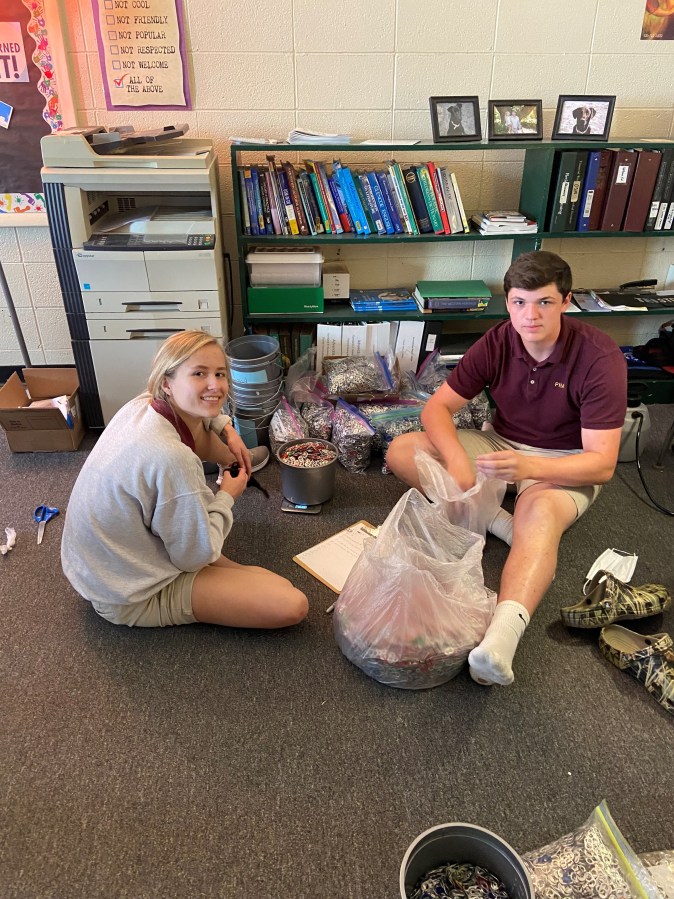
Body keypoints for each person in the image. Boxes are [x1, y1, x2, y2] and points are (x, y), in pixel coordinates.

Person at [386, 251, 627, 686]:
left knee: (539, 515)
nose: (529, 316)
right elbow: (437, 409)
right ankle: (498, 520)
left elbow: (602, 465)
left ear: (566, 301)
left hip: (563, 460)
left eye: (544, 302)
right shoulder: (499, 340)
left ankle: (500, 643)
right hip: (500, 444)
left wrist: (528, 467)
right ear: (508, 302)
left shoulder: (599, 357)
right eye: (519, 302)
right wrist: (457, 462)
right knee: (403, 451)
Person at [61, 330, 308, 630]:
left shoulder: (143, 404)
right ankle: (207, 551)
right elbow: (192, 559)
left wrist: (227, 430)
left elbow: (199, 415)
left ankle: (211, 546)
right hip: (127, 594)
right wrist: (227, 495)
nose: (215, 385)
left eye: (220, 373)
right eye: (199, 373)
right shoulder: (174, 459)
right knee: (292, 604)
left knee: (273, 584)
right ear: (167, 382)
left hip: (103, 565)